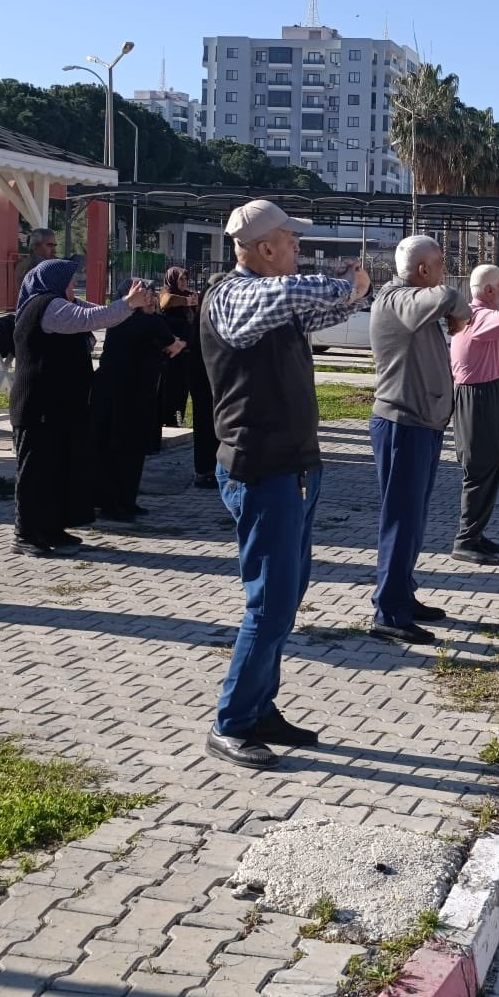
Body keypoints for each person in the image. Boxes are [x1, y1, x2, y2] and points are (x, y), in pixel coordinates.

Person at [199, 199, 368, 769]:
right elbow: (292, 296)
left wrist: (355, 290)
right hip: (260, 467)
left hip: (294, 468)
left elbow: (320, 311)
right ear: (264, 247)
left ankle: (259, 707)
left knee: (287, 597)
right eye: (291, 241)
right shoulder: (233, 295)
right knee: (270, 604)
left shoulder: (278, 302)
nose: (298, 249)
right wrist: (345, 285)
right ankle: (231, 722)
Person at [9, 258, 155, 556]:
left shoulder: (60, 303)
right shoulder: (47, 305)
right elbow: (89, 319)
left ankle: (51, 528)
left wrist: (130, 304)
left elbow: (98, 313)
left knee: (58, 470)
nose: (73, 285)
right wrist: (128, 303)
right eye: (69, 280)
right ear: (54, 281)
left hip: (61, 407)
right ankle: (25, 533)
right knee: (35, 472)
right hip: (39, 407)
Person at [367, 235, 472, 644]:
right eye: (441, 263)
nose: (445, 271)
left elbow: (446, 301)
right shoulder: (395, 300)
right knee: (400, 520)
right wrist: (456, 309)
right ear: (423, 270)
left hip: (421, 426)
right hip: (401, 426)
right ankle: (388, 613)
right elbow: (447, 296)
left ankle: (402, 596)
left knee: (413, 520)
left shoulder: (414, 301)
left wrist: (454, 312)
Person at [449, 265, 499, 564]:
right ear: (489, 290)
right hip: (478, 396)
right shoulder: (476, 315)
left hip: (494, 391)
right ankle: (465, 540)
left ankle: (477, 533)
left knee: (493, 465)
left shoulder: (486, 315)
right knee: (479, 467)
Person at [91, 302, 186, 522]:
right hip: (122, 396)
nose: (152, 301)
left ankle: (125, 501)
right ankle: (113, 504)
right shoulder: (139, 320)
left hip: (134, 395)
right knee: (119, 449)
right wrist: (173, 343)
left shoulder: (138, 319)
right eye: (147, 296)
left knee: (131, 450)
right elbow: (173, 343)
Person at [158, 267, 219, 488]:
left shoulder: (200, 305)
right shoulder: (169, 294)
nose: (184, 281)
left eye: (186, 278)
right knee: (202, 418)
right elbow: (165, 302)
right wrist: (188, 302)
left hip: (194, 361)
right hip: (182, 359)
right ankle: (205, 470)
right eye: (181, 278)